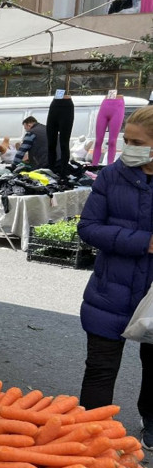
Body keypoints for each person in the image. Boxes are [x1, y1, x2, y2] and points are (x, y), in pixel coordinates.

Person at [77, 106, 153, 449]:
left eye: (137, 143)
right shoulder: (111, 176)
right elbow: (88, 228)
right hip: (110, 291)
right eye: (126, 140)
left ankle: (150, 421)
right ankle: (89, 433)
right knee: (100, 368)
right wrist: (142, 242)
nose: (128, 148)